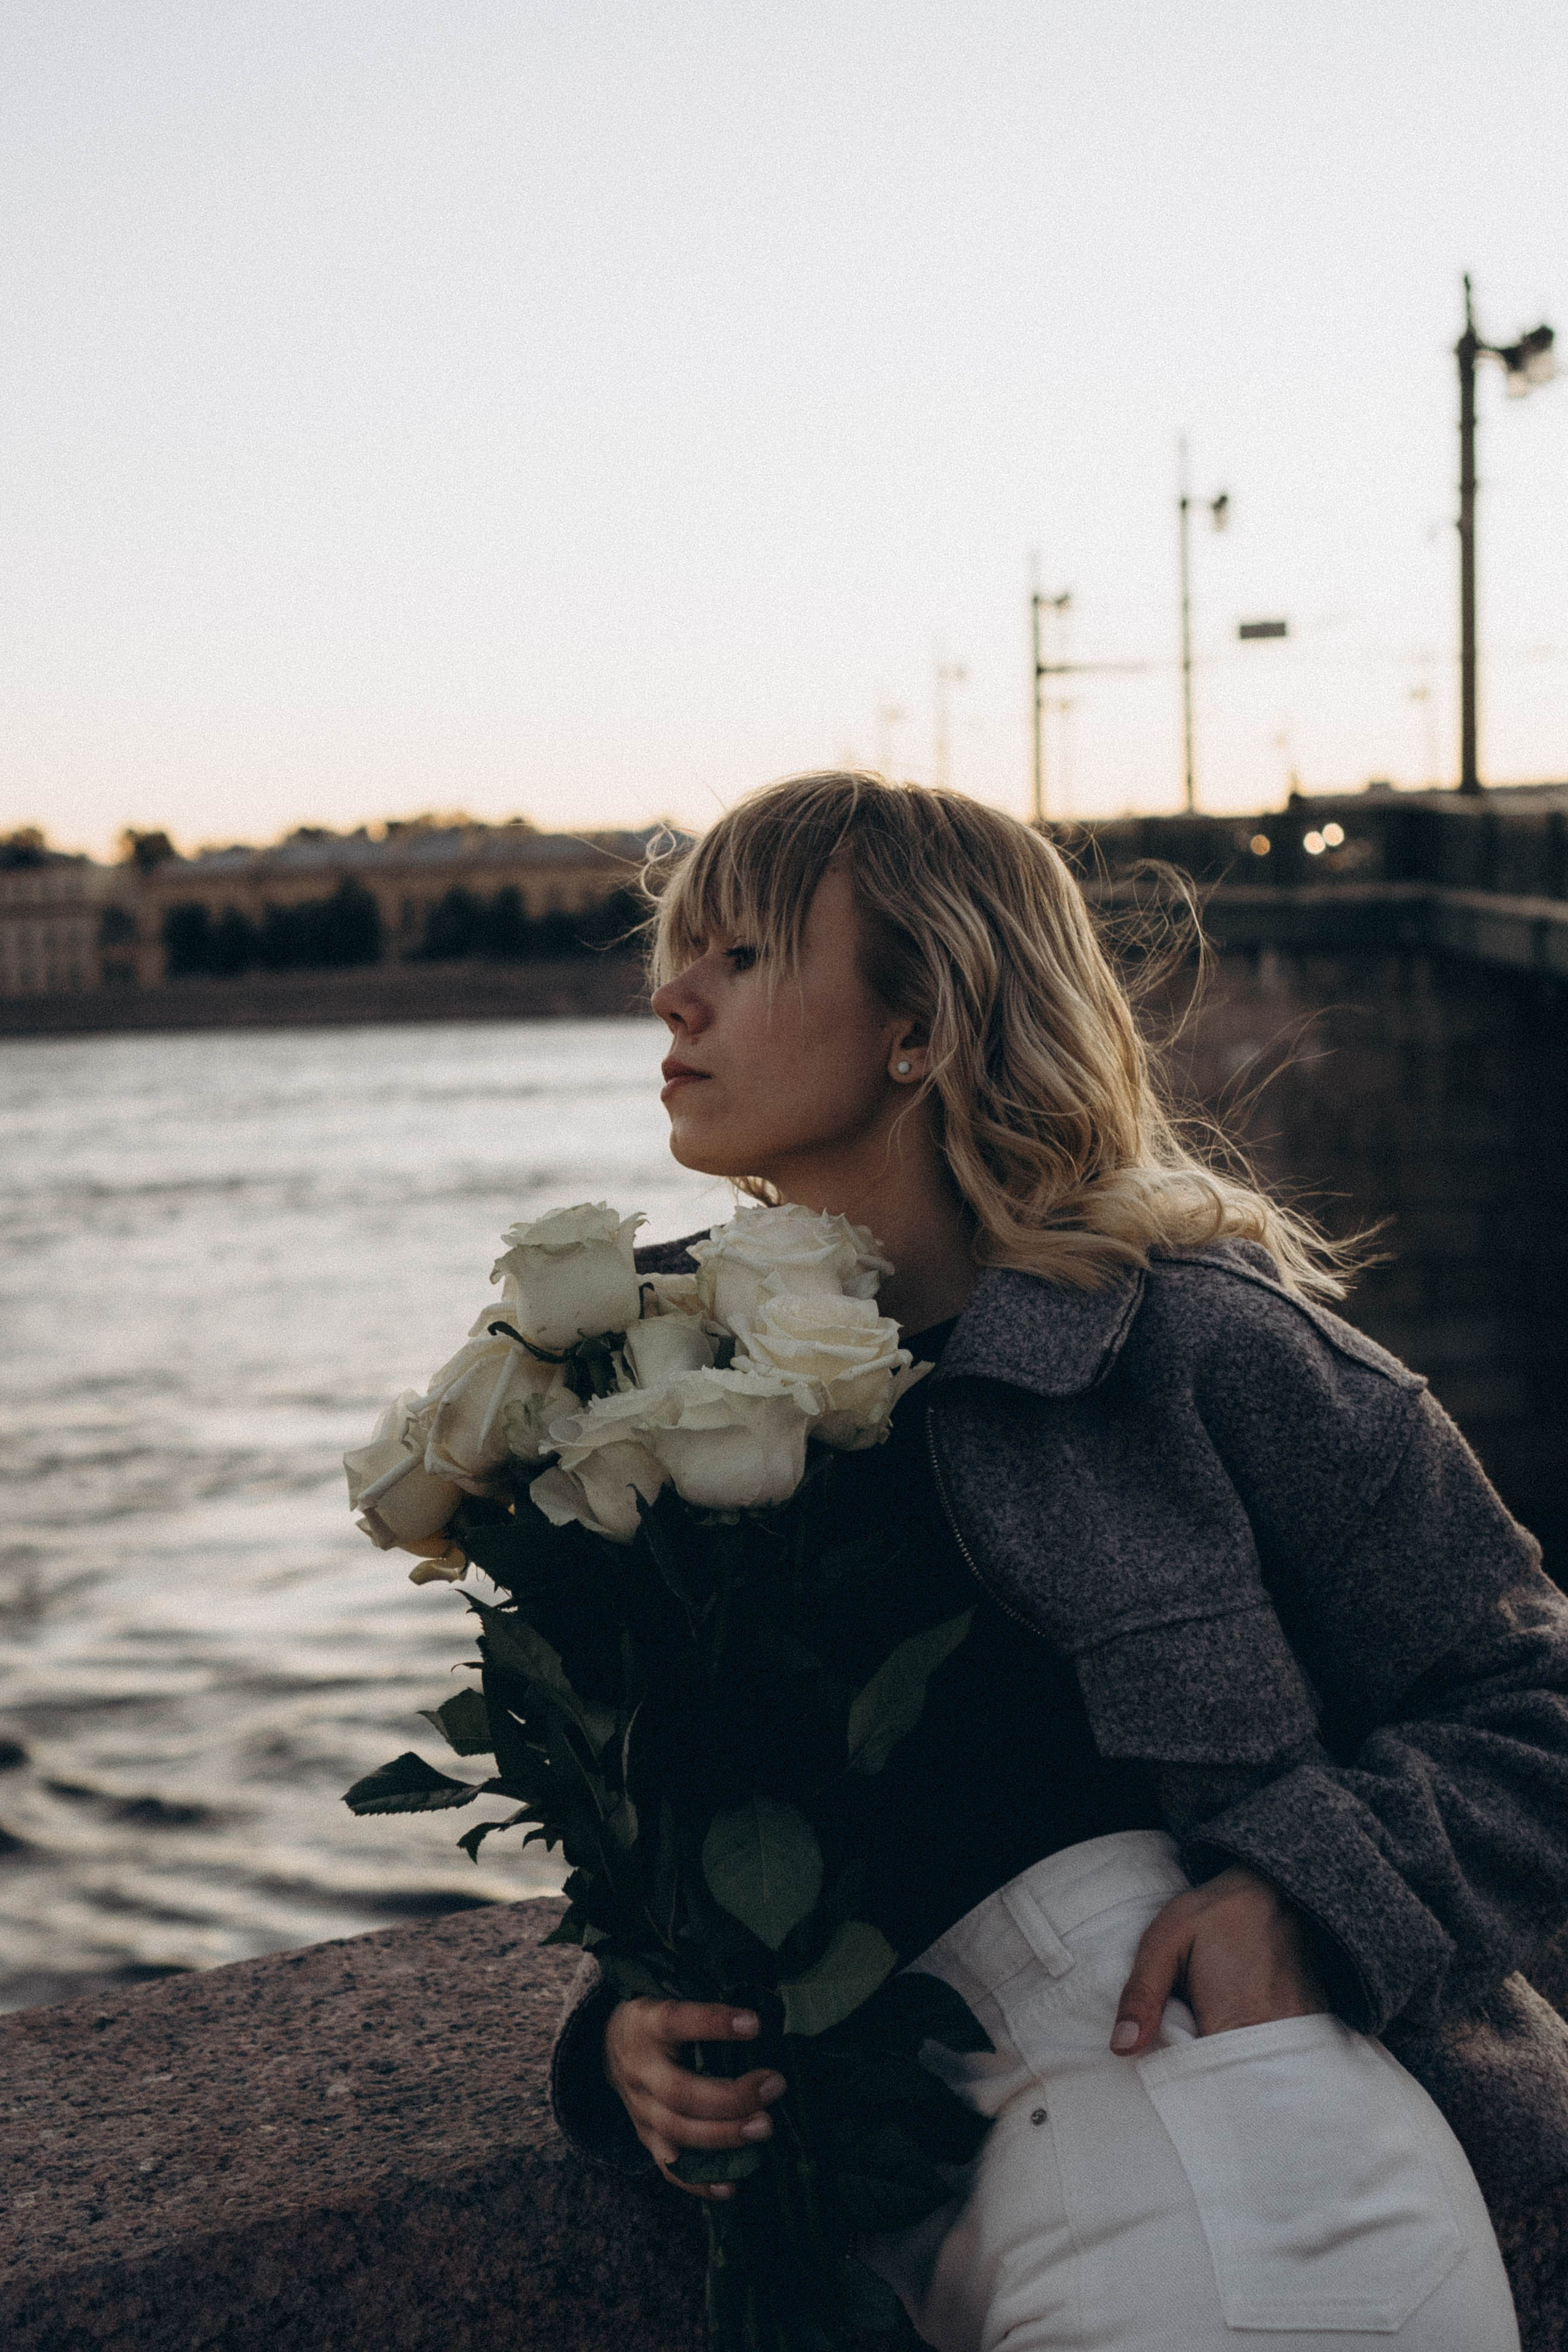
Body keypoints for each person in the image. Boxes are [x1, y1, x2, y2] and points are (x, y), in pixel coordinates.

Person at [549, 771, 1568, 2350]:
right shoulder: (649, 1395)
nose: (671, 995)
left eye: (744, 957)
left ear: (923, 1021)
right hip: (915, 2229)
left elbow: (1535, 1698)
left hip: (1261, 2180)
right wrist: (625, 2034)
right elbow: (689, 1836)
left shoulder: (1195, 1348)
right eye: (681, 955)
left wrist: (1312, 1894)